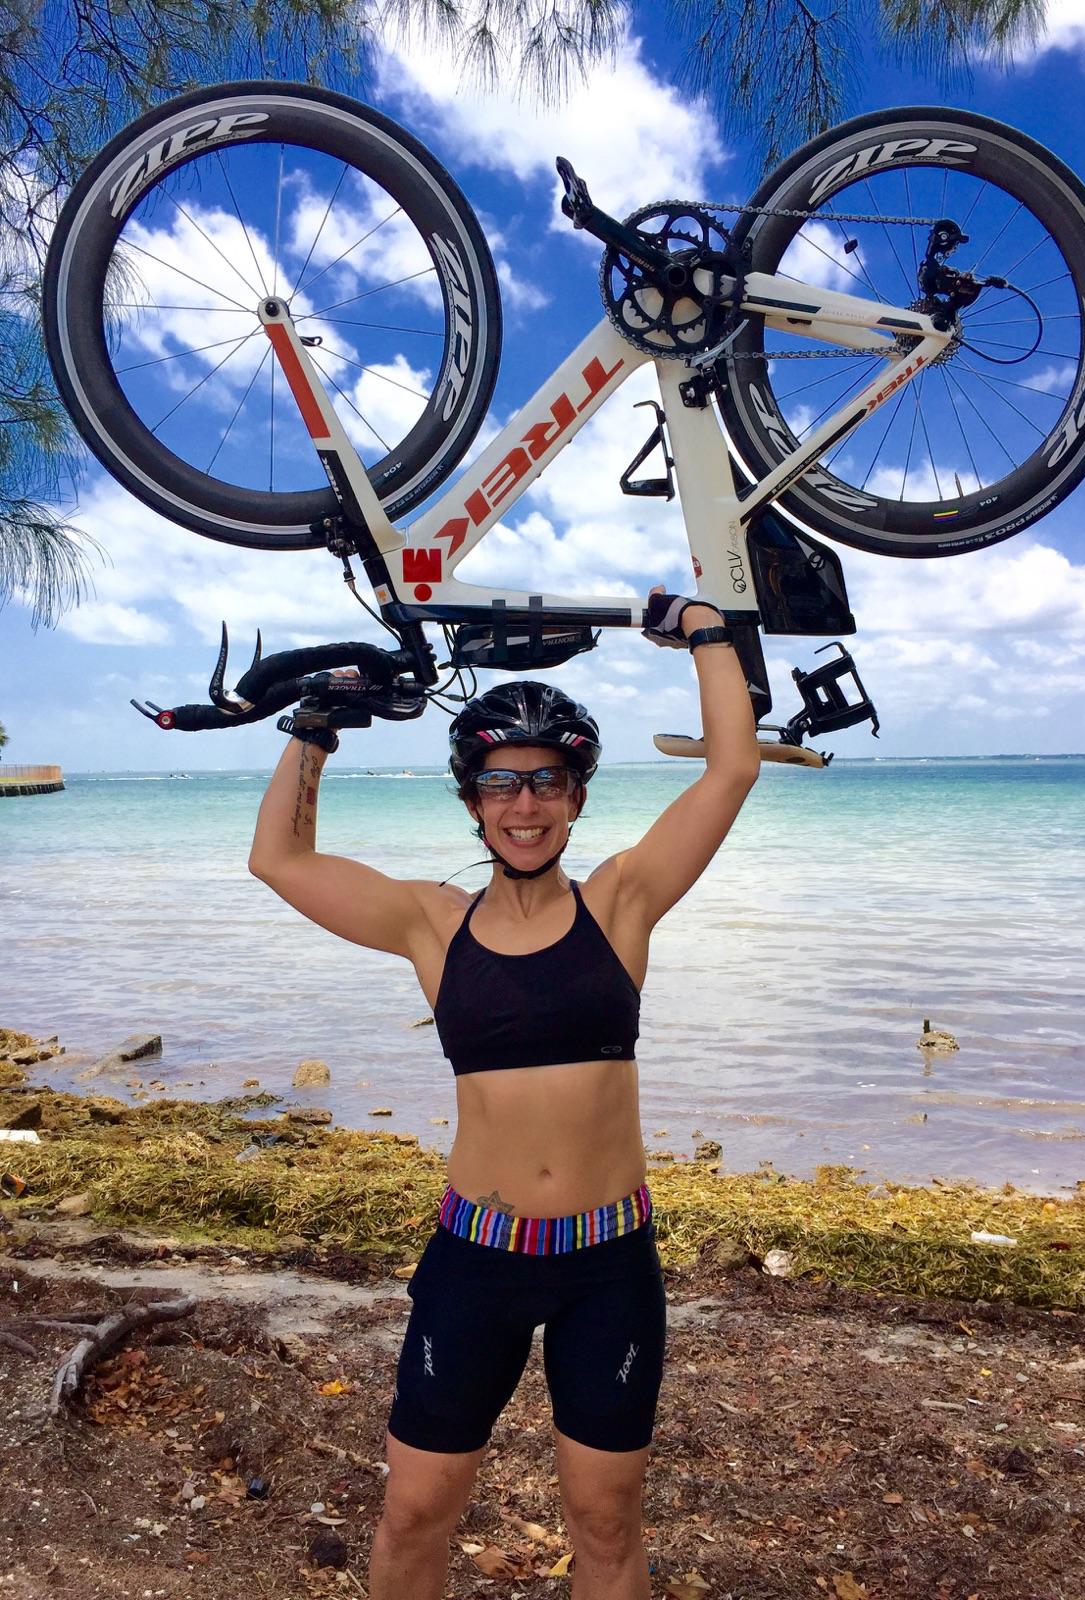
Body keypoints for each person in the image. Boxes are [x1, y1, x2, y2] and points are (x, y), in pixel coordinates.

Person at [247, 592, 760, 1600]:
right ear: (472, 800)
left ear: (575, 796)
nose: (524, 807)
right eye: (500, 784)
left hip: (608, 1268)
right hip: (474, 1265)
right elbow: (280, 859)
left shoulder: (622, 900)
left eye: (546, 784)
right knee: (415, 1510)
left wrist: (705, 629)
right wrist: (312, 730)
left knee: (608, 1524)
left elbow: (733, 765)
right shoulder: (431, 924)